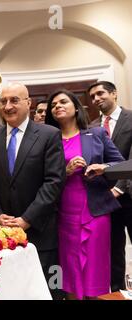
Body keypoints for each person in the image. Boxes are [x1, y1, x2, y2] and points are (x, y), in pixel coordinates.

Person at [0, 83, 66, 299]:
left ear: (28, 103)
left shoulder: (49, 135)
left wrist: (27, 219)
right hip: (2, 234)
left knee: (46, 290)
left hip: (40, 232)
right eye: (4, 101)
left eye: (14, 100)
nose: (7, 106)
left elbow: (54, 182)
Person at [45, 89, 124, 299]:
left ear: (75, 107)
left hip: (95, 211)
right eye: (53, 105)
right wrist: (66, 171)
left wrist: (103, 167)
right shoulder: (47, 139)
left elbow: (122, 164)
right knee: (68, 268)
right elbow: (41, 177)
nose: (57, 106)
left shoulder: (96, 134)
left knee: (95, 266)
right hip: (62, 213)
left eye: (63, 102)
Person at [88, 81, 132, 292]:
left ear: (114, 93)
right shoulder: (92, 127)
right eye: (93, 96)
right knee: (114, 250)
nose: (96, 99)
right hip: (106, 200)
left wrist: (119, 188)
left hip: (129, 194)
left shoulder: (131, 118)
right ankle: (117, 291)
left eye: (100, 93)